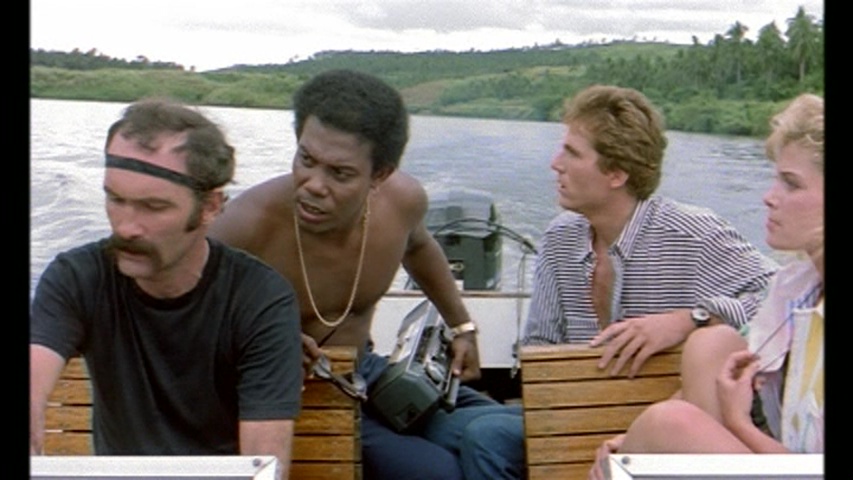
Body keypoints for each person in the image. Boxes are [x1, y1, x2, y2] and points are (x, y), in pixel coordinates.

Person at [208, 69, 524, 480]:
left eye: (340, 173)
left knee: (509, 433)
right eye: (306, 160)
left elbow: (420, 248)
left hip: (368, 372)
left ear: (380, 175)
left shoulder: (402, 203)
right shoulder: (245, 224)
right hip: (296, 394)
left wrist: (461, 326)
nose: (313, 185)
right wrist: (261, 340)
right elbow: (181, 318)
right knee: (441, 472)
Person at [29, 98, 303, 479]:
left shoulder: (260, 300)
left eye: (153, 207)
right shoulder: (77, 278)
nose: (126, 227)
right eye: (115, 199)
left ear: (210, 207)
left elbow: (263, 465)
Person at [589, 92, 824, 478]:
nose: (769, 198)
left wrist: (739, 424)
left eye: (791, 184)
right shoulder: (797, 287)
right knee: (711, 346)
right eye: (775, 179)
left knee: (667, 425)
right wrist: (636, 441)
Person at [521, 84, 778, 378]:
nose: (556, 164)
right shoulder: (560, 238)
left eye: (572, 153)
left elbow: (787, 299)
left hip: (669, 402)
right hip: (576, 399)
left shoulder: (692, 235)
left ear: (616, 174)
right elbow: (540, 344)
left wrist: (690, 320)